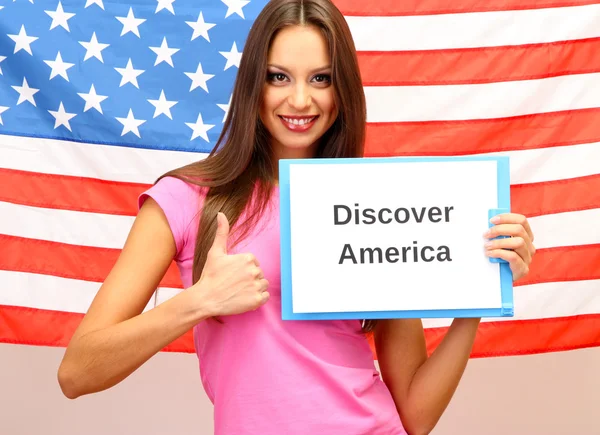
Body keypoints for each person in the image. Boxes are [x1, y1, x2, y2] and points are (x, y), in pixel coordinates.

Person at [57, 1, 536, 434]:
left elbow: (415, 412)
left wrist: (479, 294)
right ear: (253, 83)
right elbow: (77, 373)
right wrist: (199, 301)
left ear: (341, 88)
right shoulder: (186, 198)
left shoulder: (376, 201)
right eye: (279, 76)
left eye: (321, 78)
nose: (301, 100)